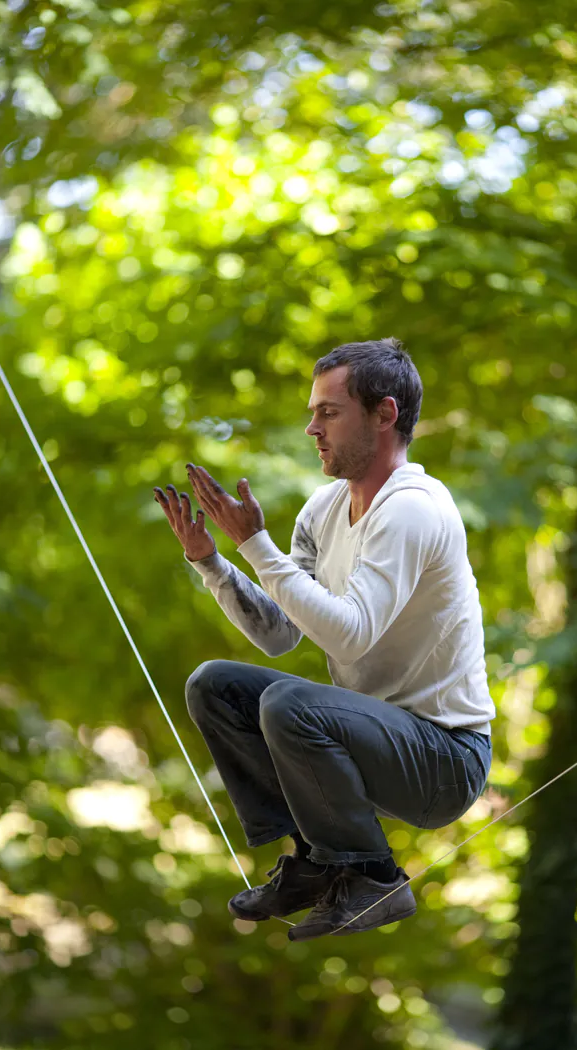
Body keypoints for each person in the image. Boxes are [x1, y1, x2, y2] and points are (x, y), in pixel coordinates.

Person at [153, 337, 495, 941]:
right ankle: (313, 862)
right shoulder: (323, 507)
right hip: (358, 746)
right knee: (216, 686)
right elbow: (282, 633)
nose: (312, 428)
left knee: (288, 706)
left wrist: (256, 547)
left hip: (445, 761)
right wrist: (211, 562)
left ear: (384, 415)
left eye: (328, 412)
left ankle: (374, 876)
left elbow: (352, 635)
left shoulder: (414, 507)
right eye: (313, 412)